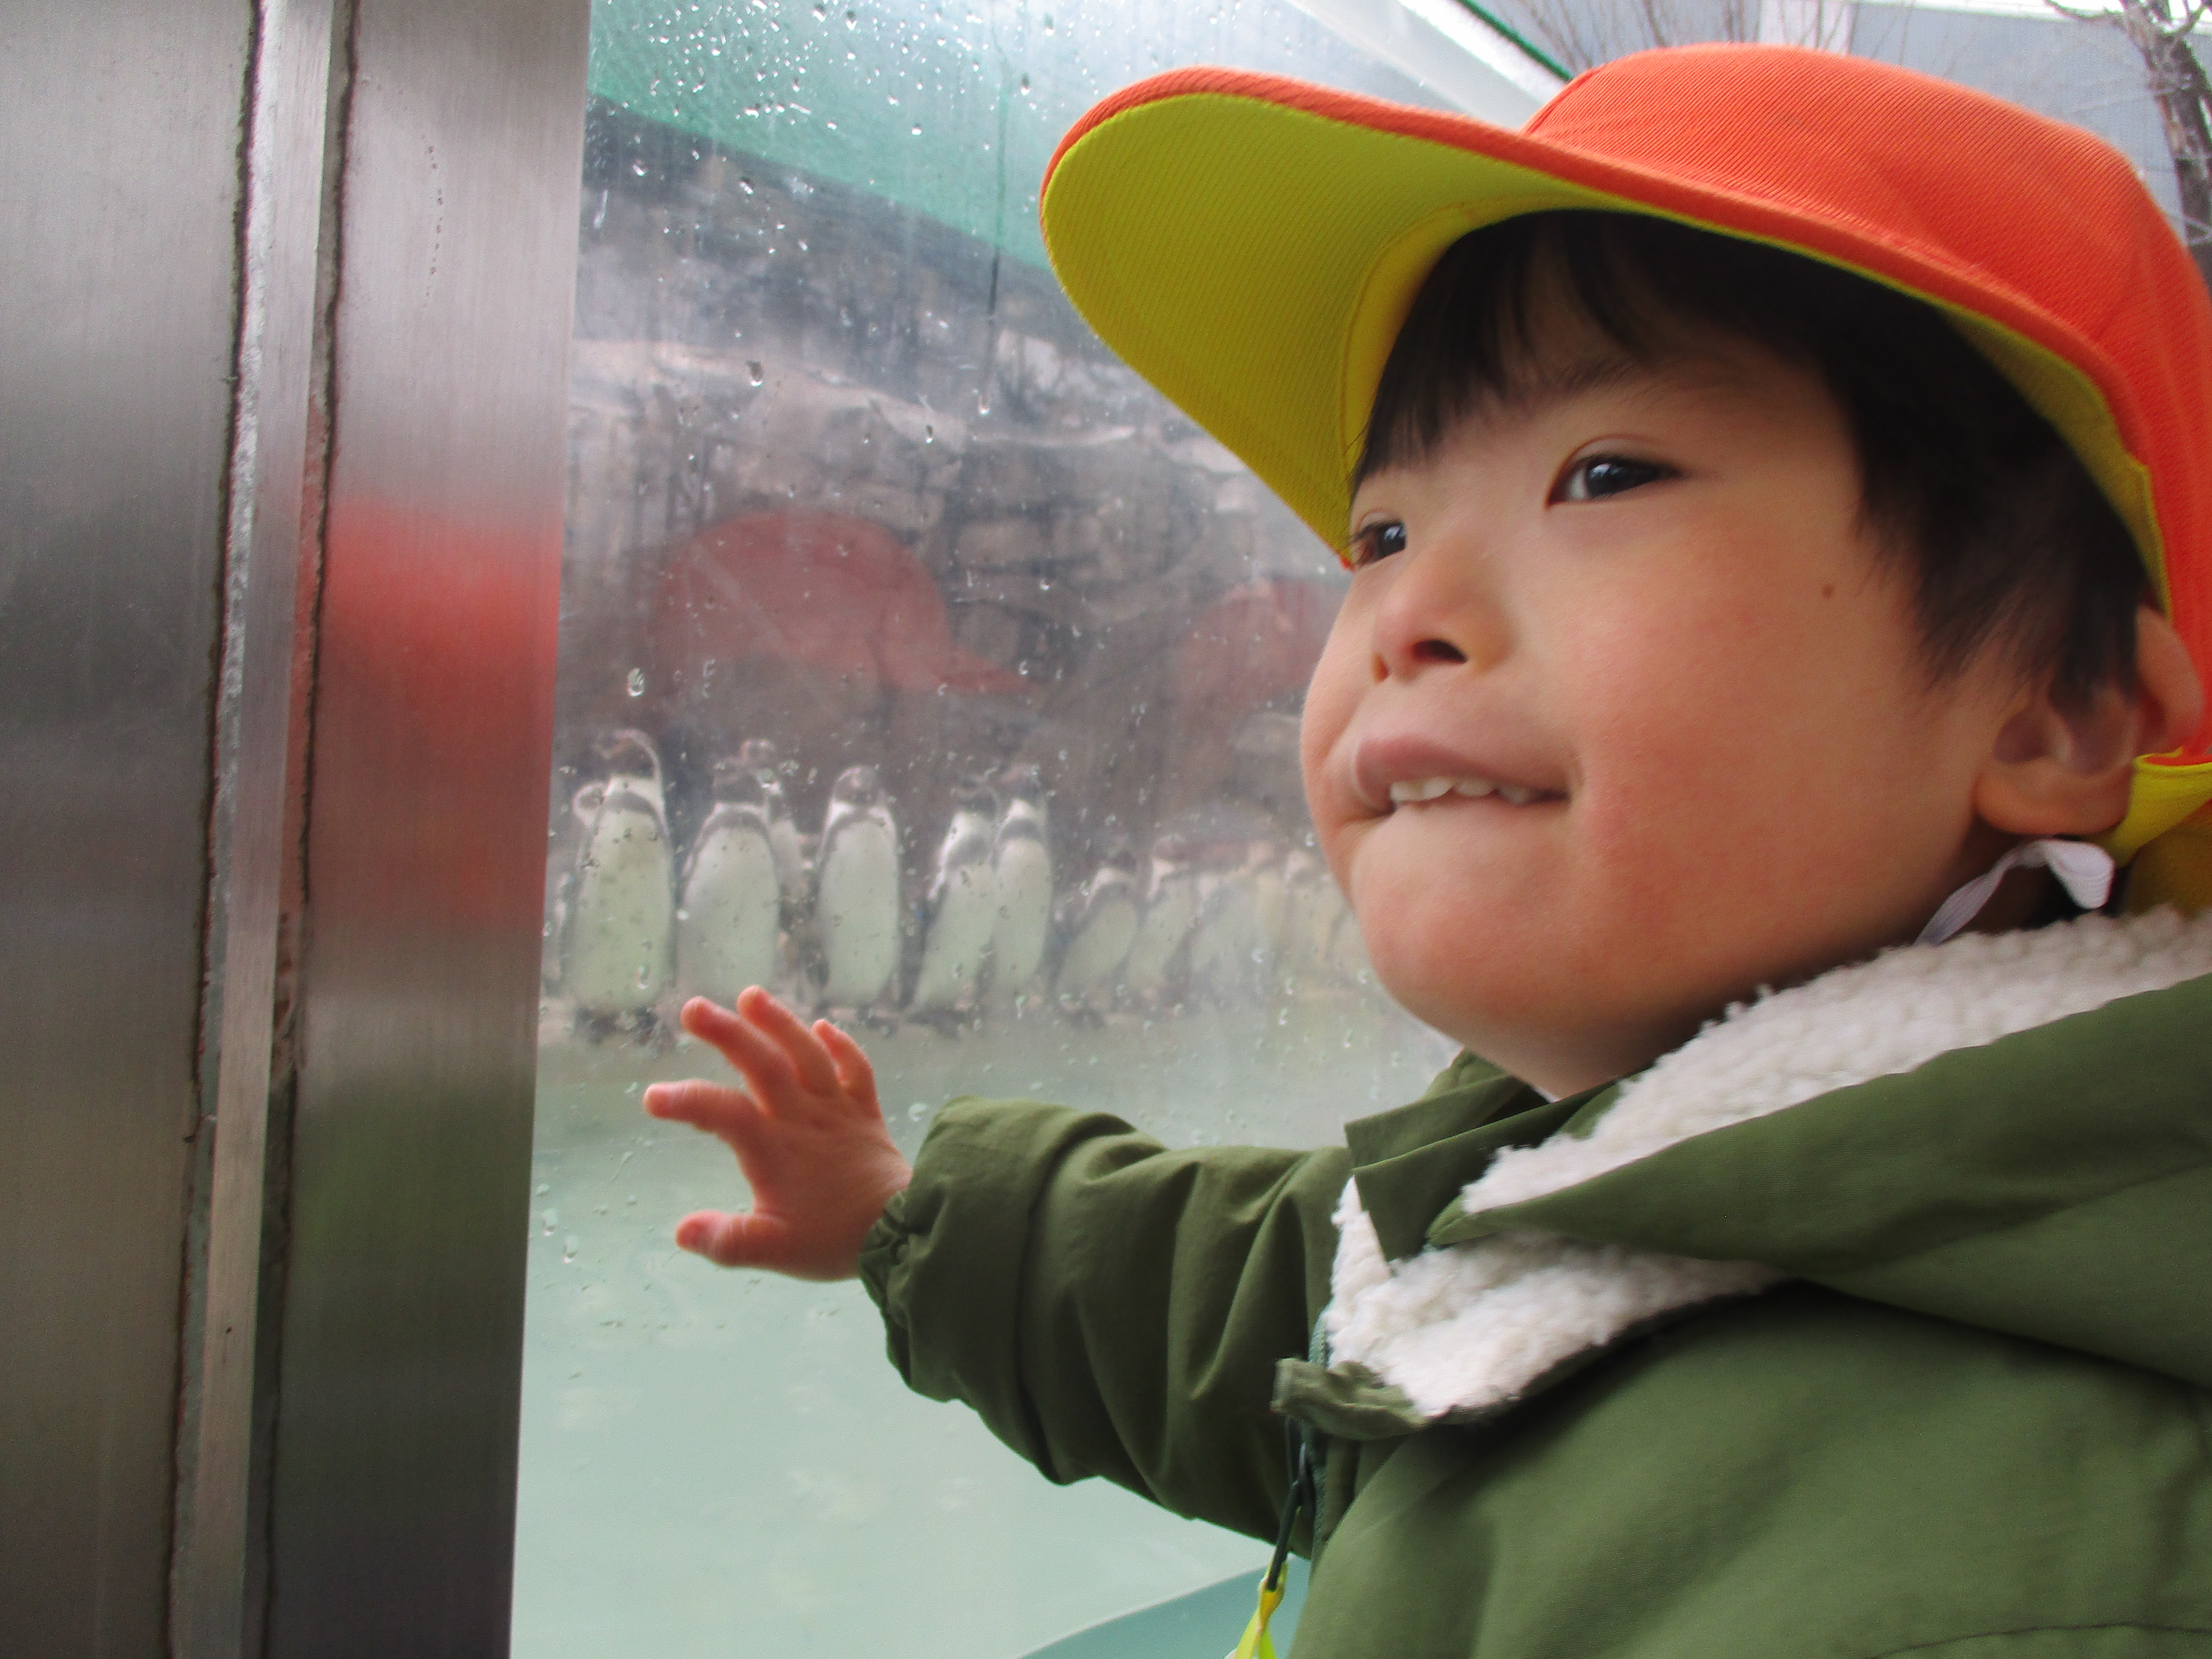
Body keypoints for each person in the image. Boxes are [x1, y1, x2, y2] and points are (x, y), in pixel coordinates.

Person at [645, 45, 2212, 1656]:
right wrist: (917, 1217)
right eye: (1380, 533)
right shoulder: (1598, 1169)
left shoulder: (2016, 1575)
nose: (1407, 610)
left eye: (1604, 477)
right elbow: (1277, 1306)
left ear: (2057, 710)